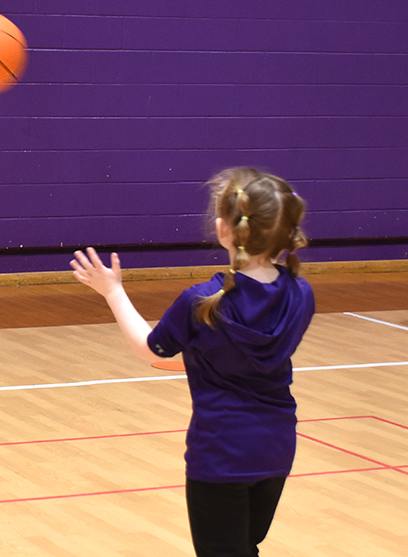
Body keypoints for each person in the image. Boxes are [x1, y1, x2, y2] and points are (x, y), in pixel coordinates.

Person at [70, 167, 315, 556]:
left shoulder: (201, 301)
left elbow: (151, 349)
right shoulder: (301, 293)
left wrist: (113, 292)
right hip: (277, 449)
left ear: (223, 229)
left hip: (220, 455)